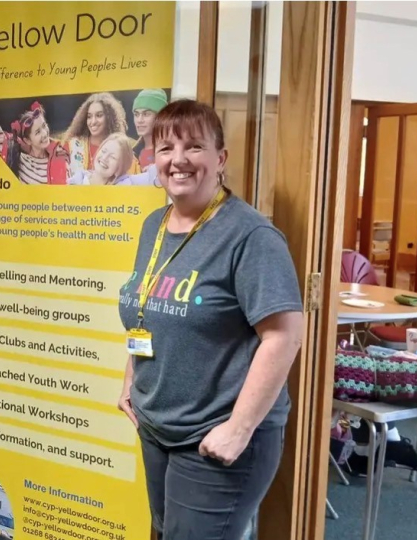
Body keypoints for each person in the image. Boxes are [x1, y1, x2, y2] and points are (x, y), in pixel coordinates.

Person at [116, 99, 304, 540]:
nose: (178, 160)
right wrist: (131, 379)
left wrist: (238, 430)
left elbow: (284, 336)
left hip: (215, 435)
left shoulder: (250, 236)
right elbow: (147, 308)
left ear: (220, 159)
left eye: (194, 146)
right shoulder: (153, 226)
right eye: (165, 149)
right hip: (159, 425)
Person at [0, 100, 69, 185]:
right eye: (37, 132)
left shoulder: (60, 154)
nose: (44, 134)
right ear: (27, 140)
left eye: (44, 126)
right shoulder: (15, 156)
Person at [61, 92, 128, 176]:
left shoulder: (119, 150)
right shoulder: (72, 146)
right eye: (89, 116)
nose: (93, 122)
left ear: (109, 118)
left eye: (99, 115)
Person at [67, 133, 156, 187]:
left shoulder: (128, 184)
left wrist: (152, 168)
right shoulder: (76, 182)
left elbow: (159, 175)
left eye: (112, 157)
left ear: (120, 167)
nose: (104, 158)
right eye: (104, 151)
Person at [129, 88, 168, 173]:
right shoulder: (129, 152)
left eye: (146, 114)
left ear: (160, 117)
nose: (139, 120)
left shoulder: (171, 151)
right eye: (136, 114)